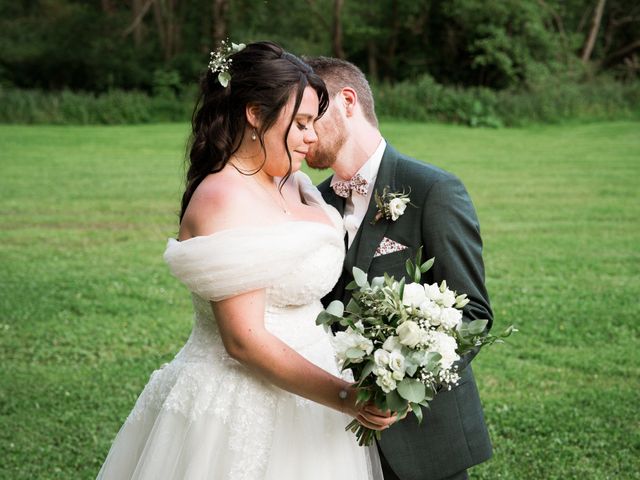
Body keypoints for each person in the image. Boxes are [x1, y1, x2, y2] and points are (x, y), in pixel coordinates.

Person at [96, 41, 393, 480]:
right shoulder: (223, 198)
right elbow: (244, 340)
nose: (312, 137)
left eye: (314, 122)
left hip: (312, 392)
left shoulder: (291, 180)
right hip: (241, 403)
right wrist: (347, 397)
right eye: (303, 123)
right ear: (255, 113)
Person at [304, 56, 494, 480]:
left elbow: (474, 317)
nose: (299, 131)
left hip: (422, 442)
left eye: (308, 114)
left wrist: (403, 387)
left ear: (346, 102)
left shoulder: (433, 191)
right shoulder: (310, 204)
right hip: (329, 438)